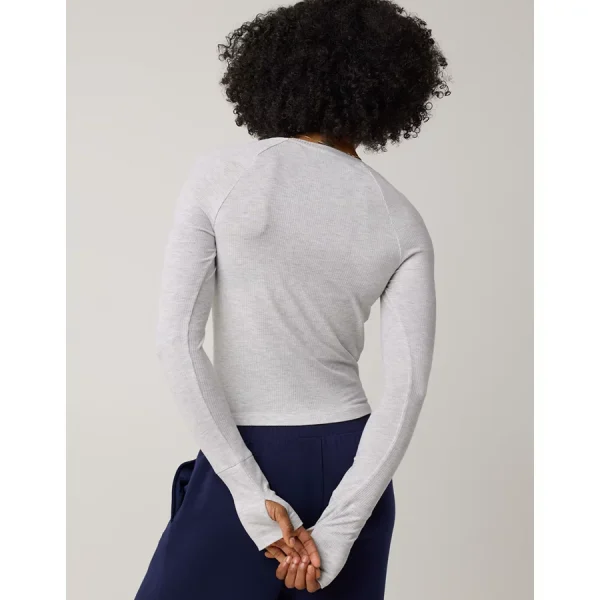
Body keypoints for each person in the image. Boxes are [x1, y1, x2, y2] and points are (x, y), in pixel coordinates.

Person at [134, 0, 449, 598]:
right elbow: (408, 388)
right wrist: (341, 526)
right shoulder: (402, 219)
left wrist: (250, 495)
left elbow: (176, 342)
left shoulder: (224, 175)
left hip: (243, 454)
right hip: (356, 464)